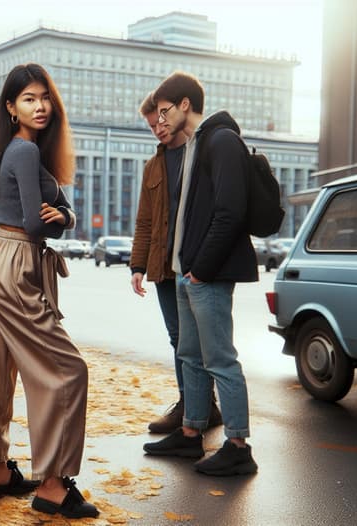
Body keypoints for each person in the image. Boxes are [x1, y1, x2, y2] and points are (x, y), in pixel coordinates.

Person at [0, 63, 98, 519]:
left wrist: (62, 215)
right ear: (10, 107)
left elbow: (62, 216)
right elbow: (36, 222)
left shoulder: (22, 152)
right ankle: (53, 485)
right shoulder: (24, 153)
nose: (40, 106)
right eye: (28, 98)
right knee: (68, 370)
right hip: (18, 261)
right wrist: (62, 214)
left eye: (45, 97)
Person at [143, 72, 259, 476]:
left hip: (205, 274)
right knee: (189, 356)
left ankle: (239, 445)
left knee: (220, 359)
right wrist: (181, 268)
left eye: (163, 111)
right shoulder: (193, 145)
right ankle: (191, 435)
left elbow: (230, 213)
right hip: (184, 272)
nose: (160, 120)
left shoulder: (222, 141)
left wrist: (200, 270)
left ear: (184, 106)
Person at [130, 93, 222, 434]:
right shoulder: (153, 165)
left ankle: (204, 406)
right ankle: (190, 403)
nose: (158, 129)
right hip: (162, 267)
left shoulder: (198, 154)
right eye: (151, 126)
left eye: (160, 121)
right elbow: (144, 221)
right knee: (177, 338)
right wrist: (137, 266)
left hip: (194, 264)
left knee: (200, 340)